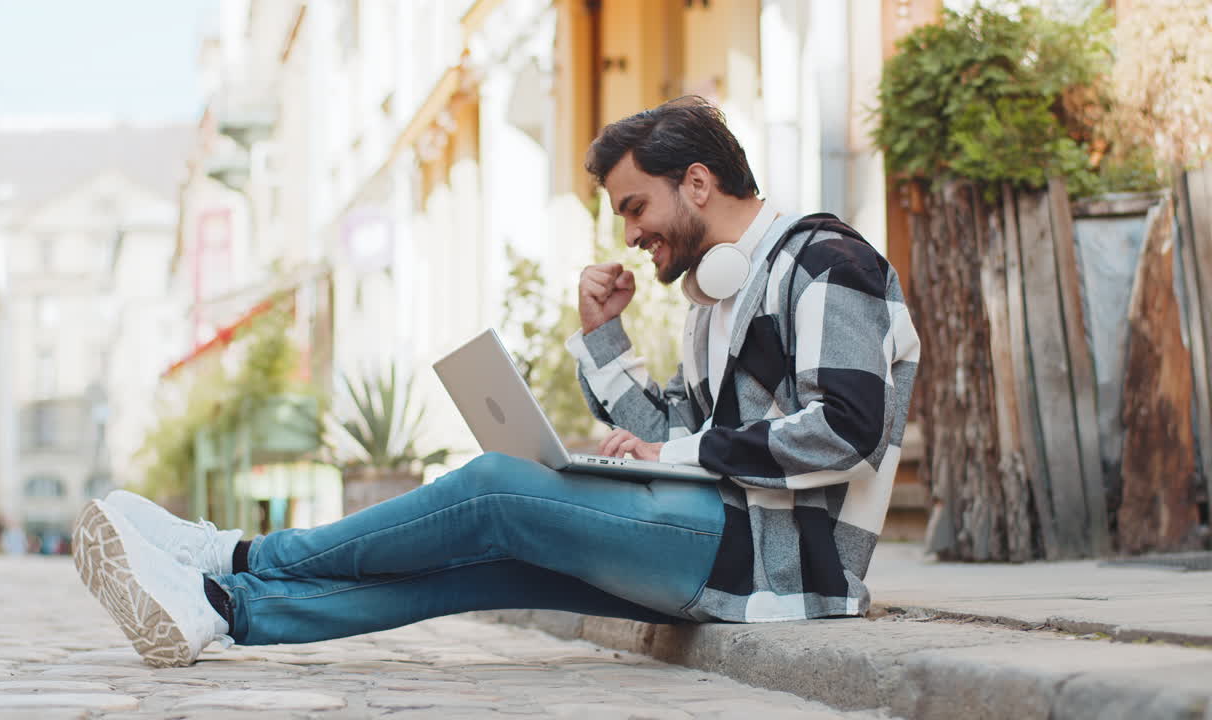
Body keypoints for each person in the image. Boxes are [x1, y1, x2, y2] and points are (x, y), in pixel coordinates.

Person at [72, 96, 919, 668]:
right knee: (486, 561)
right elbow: (674, 434)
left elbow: (845, 429)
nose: (630, 235)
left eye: (634, 207)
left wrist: (677, 445)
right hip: (720, 539)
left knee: (492, 493)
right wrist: (604, 341)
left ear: (697, 182)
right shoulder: (714, 296)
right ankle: (221, 609)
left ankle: (234, 552)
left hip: (778, 561)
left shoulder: (827, 262)